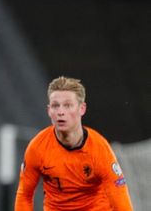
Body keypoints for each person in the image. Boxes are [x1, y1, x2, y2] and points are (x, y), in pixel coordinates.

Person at [14, 76, 133, 210]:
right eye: (55, 106)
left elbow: (121, 199)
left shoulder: (100, 150)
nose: (60, 112)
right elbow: (24, 195)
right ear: (49, 111)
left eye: (68, 105)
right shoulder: (37, 148)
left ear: (82, 109)